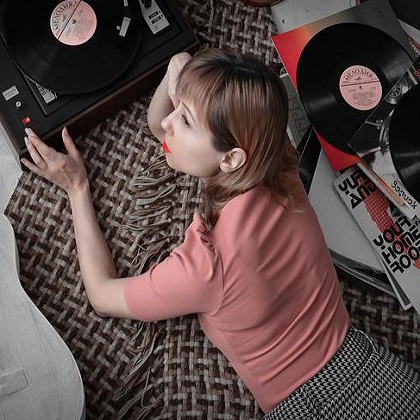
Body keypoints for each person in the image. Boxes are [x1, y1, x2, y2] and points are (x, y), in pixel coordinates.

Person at [21, 48, 420, 419]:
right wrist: (180, 70)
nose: (166, 122)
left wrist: (77, 188)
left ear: (231, 158)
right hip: (373, 366)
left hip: (310, 405)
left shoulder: (204, 267)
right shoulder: (276, 157)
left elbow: (101, 294)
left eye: (185, 120)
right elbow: (158, 127)